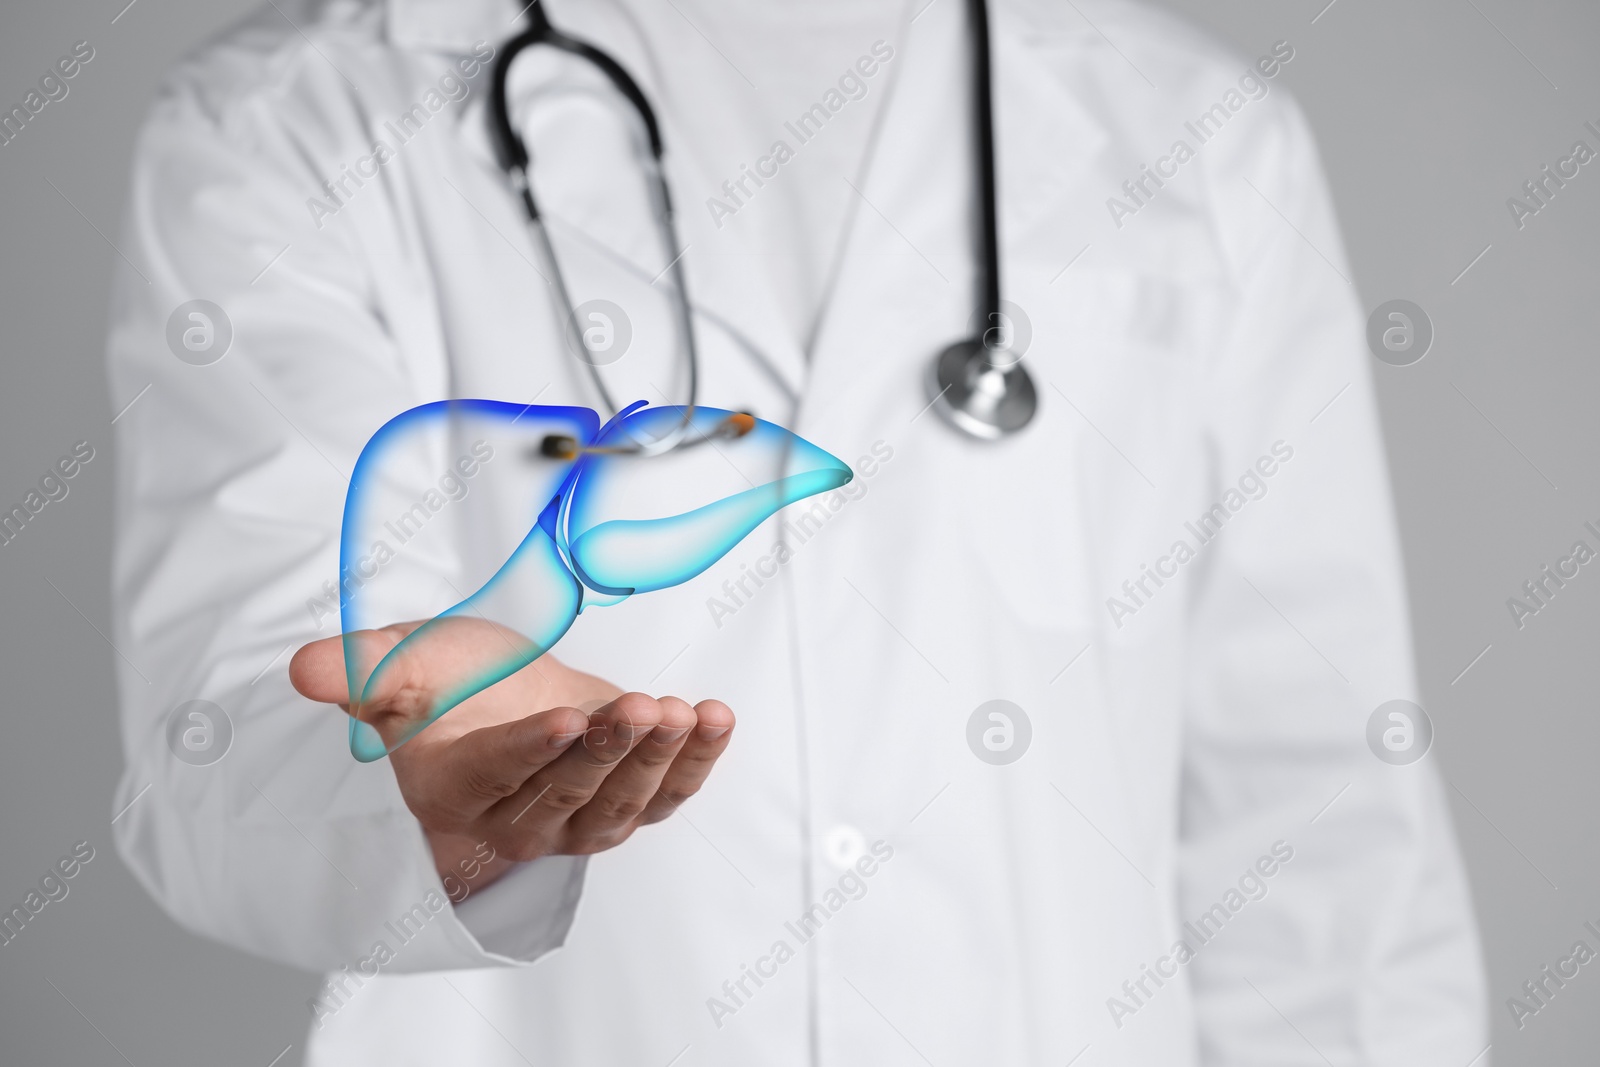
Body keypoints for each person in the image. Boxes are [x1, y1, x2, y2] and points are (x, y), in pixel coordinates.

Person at [107, 0, 1488, 1063]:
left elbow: (1317, 827)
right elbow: (216, 753)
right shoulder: (300, 125)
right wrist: (435, 795)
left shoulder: (1199, 138)